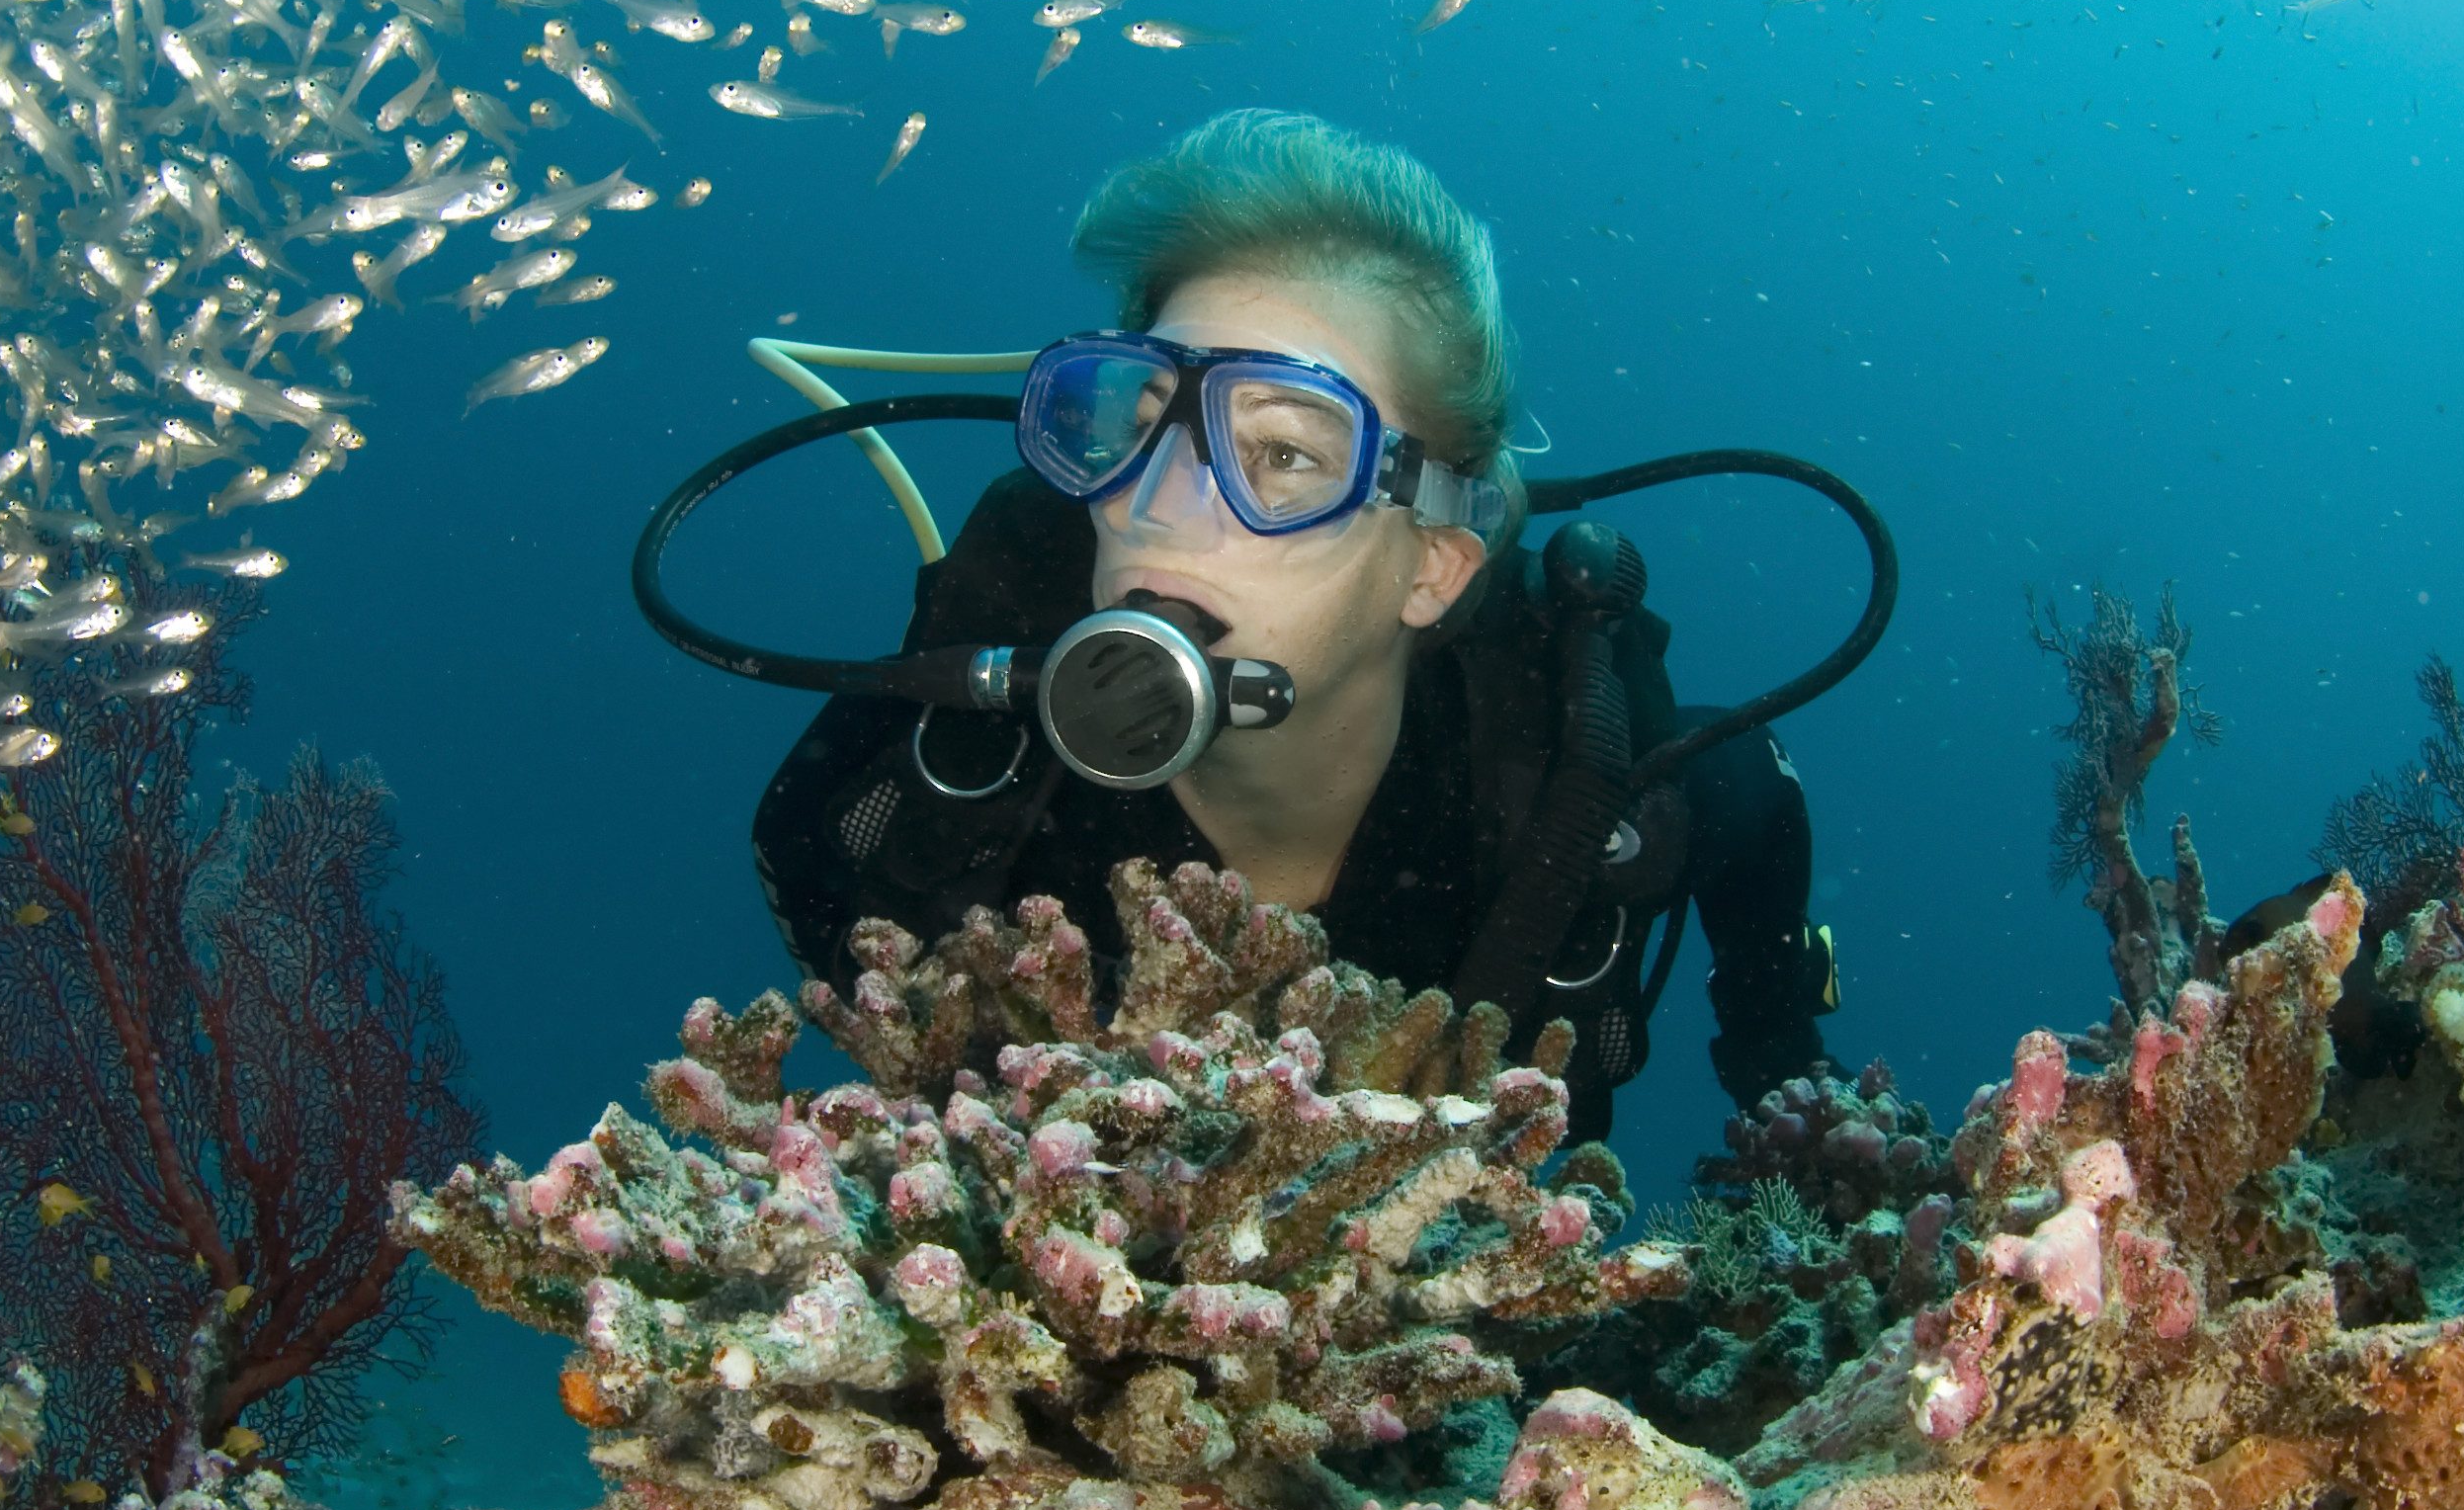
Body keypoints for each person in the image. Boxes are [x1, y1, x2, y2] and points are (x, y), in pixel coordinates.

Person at [752, 109, 1840, 1139]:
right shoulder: (942, 760)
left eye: (1281, 455)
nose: (1155, 503)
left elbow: (1743, 792)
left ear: (1431, 568)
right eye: (1139, 426)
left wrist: (1777, 1057)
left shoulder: (1549, 773)